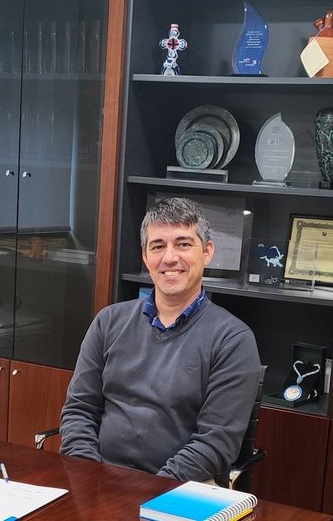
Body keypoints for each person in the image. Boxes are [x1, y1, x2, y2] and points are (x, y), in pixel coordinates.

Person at [60, 197, 261, 483]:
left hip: (179, 487)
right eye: (158, 246)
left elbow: (216, 444)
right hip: (97, 479)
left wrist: (152, 492)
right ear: (145, 256)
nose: (169, 258)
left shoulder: (233, 340)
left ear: (207, 252)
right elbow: (79, 411)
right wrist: (89, 476)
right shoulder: (108, 322)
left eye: (183, 244)